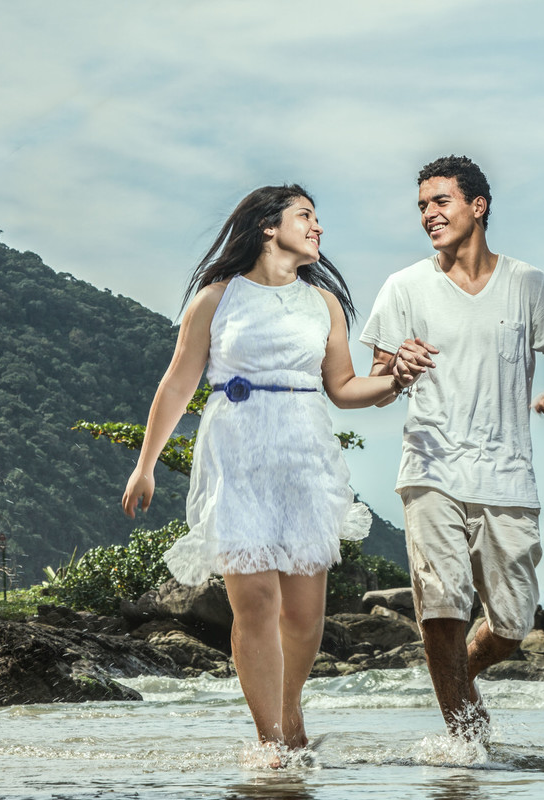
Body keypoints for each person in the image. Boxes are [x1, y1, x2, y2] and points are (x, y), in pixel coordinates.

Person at [121, 184, 419, 761]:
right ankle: (271, 744)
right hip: (236, 453)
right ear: (267, 226)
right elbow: (178, 383)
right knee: (255, 602)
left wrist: (398, 379)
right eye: (305, 216)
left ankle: (289, 711)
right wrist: (146, 465)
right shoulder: (216, 297)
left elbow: (345, 388)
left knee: (305, 617)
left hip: (304, 457)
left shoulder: (323, 303)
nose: (318, 228)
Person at [359, 155, 544, 741]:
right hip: (430, 468)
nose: (428, 216)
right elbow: (378, 383)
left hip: (508, 476)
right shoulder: (404, 287)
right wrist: (397, 372)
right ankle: (464, 736)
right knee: (441, 608)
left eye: (440, 202)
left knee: (512, 624)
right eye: (422, 207)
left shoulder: (528, 284)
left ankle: (456, 679)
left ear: (477, 206)